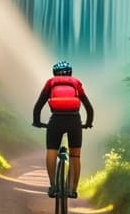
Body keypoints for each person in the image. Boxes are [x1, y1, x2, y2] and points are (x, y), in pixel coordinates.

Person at [32, 61, 94, 198]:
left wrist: (37, 122)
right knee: (75, 155)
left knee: (51, 150)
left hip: (56, 120)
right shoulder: (76, 83)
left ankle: (53, 186)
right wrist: (88, 123)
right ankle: (73, 189)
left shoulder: (51, 83)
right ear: (70, 73)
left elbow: (38, 106)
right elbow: (88, 107)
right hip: (74, 121)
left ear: (54, 73)